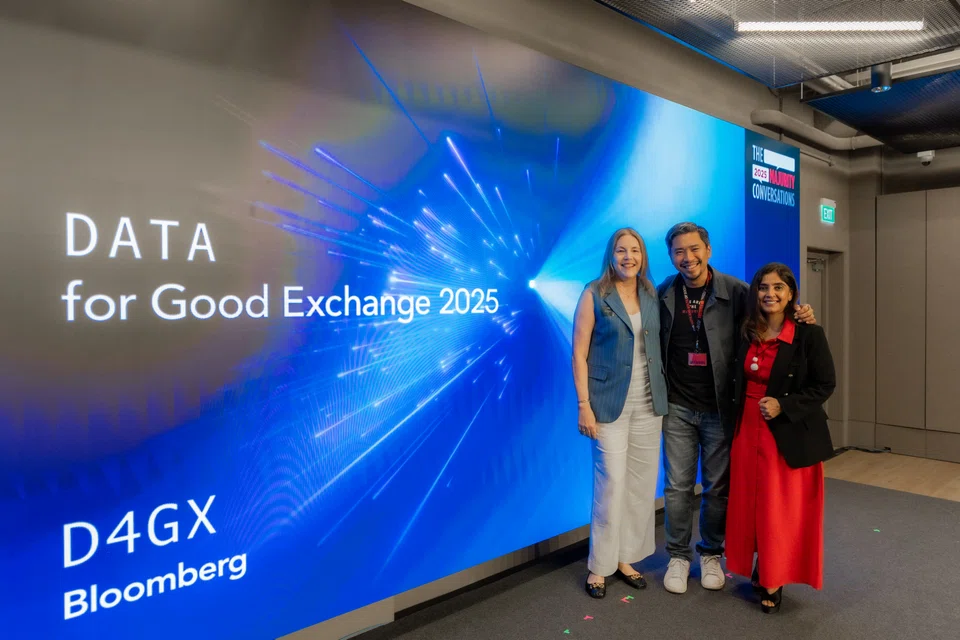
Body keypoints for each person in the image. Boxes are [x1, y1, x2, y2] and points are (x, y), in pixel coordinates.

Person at [657, 222, 816, 595]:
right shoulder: (663, 292)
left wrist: (801, 314)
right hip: (678, 406)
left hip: (719, 407)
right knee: (678, 487)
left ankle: (711, 552)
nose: (687, 257)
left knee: (716, 487)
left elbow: (773, 311)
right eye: (679, 251)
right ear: (671, 256)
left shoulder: (736, 291)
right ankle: (678, 556)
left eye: (694, 249)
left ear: (708, 250)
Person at [725, 263, 836, 613]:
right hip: (747, 429)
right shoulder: (747, 330)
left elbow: (825, 384)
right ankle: (759, 567)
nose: (769, 294)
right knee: (750, 504)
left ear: (791, 294)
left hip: (785, 433)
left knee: (777, 509)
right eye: (763, 287)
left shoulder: (808, 333)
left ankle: (774, 577)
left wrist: (784, 405)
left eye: (778, 288)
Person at [572, 228, 669, 599]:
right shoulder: (594, 293)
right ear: (611, 255)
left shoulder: (649, 292)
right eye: (621, 250)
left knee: (641, 485)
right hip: (607, 403)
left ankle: (627, 558)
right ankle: (600, 566)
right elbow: (578, 353)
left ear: (643, 255)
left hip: (649, 402)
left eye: (635, 250)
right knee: (610, 483)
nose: (629, 256)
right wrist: (584, 405)